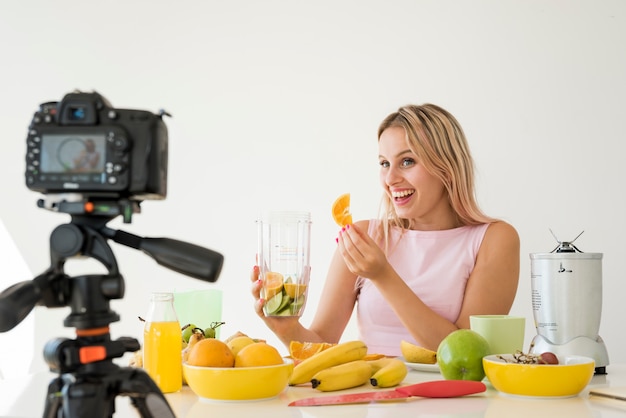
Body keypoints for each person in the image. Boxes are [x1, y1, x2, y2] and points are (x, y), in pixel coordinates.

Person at [250, 103, 520, 356]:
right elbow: (322, 345)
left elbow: (465, 353)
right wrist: (285, 328)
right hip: (374, 398)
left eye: (407, 161)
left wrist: (383, 275)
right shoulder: (364, 237)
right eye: (384, 163)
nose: (390, 179)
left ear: (447, 168)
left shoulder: (493, 239)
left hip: (456, 402)